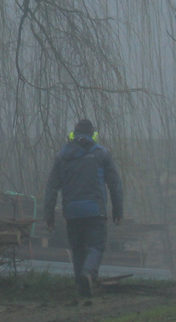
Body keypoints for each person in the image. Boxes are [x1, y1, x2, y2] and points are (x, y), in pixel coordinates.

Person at [42, 118, 123, 298]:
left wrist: (48, 216)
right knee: (96, 246)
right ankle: (88, 274)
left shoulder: (62, 156)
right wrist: (118, 211)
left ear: (74, 135)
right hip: (95, 211)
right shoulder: (102, 154)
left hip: (72, 213)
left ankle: (81, 287)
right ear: (93, 134)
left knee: (77, 249)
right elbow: (115, 184)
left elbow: (51, 187)